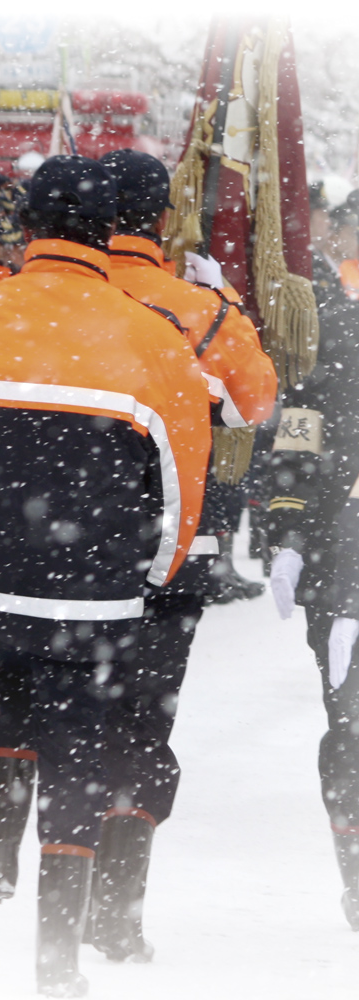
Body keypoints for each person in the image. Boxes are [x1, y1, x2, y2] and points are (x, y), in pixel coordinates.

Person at [0, 154, 212, 996]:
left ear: (28, 226)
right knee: (84, 741)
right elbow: (183, 476)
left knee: (14, 681)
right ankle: (57, 955)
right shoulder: (153, 336)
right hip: (100, 584)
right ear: (115, 234)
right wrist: (162, 568)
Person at [83, 147, 277, 960]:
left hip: (57, 553)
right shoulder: (195, 306)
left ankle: (56, 889)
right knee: (138, 731)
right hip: (166, 545)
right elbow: (255, 403)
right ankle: (117, 913)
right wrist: (225, 301)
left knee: (68, 725)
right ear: (163, 220)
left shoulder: (42, 301)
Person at [267, 200, 359, 932]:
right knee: (349, 731)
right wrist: (288, 533)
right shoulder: (332, 327)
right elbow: (300, 435)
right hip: (336, 562)